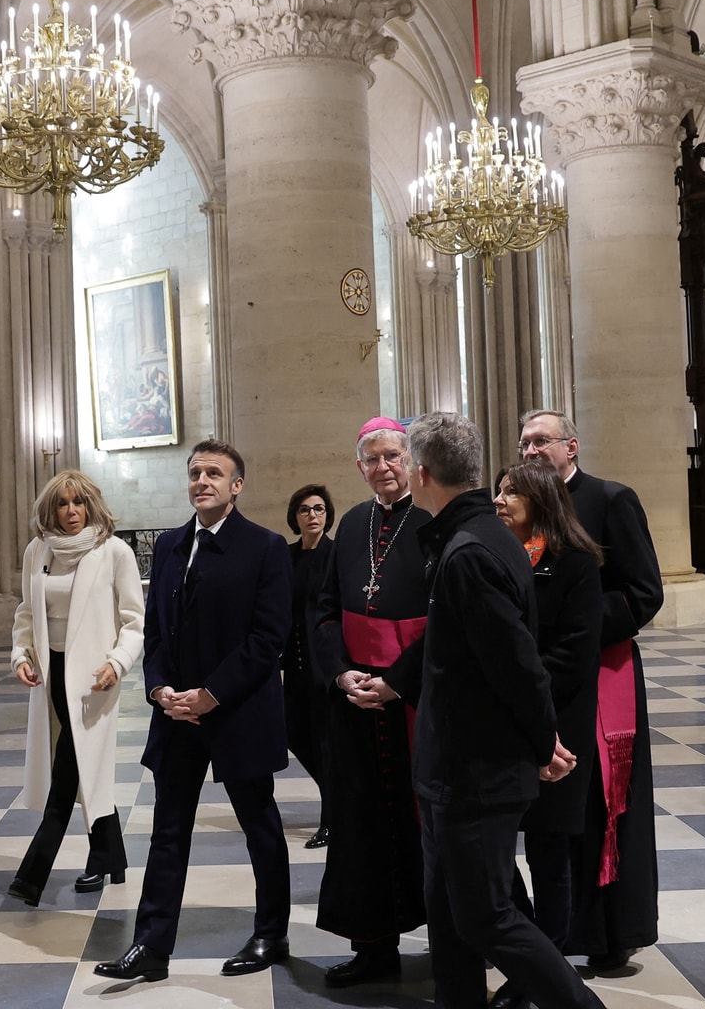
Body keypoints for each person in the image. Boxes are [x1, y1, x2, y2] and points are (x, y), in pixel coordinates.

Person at [400, 412, 605, 1009]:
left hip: (475, 769)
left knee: (488, 917)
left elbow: (516, 666)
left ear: (421, 473)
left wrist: (544, 743)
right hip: (451, 766)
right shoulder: (482, 539)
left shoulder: (470, 551)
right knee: (448, 918)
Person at [94, 439, 294, 985]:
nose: (202, 480)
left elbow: (268, 638)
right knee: (167, 831)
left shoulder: (265, 547)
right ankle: (151, 946)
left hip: (238, 711)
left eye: (214, 473)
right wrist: (159, 689)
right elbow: (154, 628)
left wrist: (211, 693)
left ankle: (271, 933)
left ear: (237, 485)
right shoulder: (168, 546)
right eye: (195, 472)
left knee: (260, 827)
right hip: (176, 715)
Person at [518, 409, 664, 972]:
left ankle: (608, 933)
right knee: (551, 804)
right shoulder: (521, 507)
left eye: (542, 442)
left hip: (603, 673)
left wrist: (575, 627)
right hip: (540, 669)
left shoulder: (610, 498)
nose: (531, 451)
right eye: (524, 442)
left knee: (604, 800)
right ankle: (552, 929)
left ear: (571, 446)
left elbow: (642, 592)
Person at [307, 418, 431, 987]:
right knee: (360, 830)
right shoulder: (353, 524)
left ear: (410, 461)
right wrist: (339, 675)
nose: (382, 467)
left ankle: (468, 942)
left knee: (428, 826)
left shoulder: (431, 523)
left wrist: (398, 679)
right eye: (372, 460)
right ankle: (374, 950)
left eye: (392, 457)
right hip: (355, 702)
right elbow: (325, 609)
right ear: (359, 468)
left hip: (414, 701)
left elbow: (447, 622)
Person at [488, 461, 605, 1009]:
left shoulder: (575, 563)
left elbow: (575, 653)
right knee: (491, 846)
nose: (501, 499)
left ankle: (548, 963)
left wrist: (523, 693)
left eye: (513, 492)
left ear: (541, 501)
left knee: (548, 849)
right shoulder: (493, 556)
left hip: (557, 722)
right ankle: (529, 947)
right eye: (499, 490)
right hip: (503, 721)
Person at [7, 470, 145, 906]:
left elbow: (135, 622)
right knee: (82, 765)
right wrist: (20, 655)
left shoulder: (114, 552)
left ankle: (32, 875)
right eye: (63, 504)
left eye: (78, 502)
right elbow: (27, 614)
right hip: (52, 672)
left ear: (91, 505)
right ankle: (110, 858)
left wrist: (117, 663)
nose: (71, 512)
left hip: (93, 679)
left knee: (68, 769)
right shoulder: (38, 551)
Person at [284, 483, 336, 850]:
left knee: (325, 744)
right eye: (304, 510)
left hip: (326, 664)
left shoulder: (336, 554)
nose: (312, 515)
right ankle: (339, 796)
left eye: (318, 509)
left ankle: (332, 818)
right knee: (294, 733)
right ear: (295, 517)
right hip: (295, 662)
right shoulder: (286, 557)